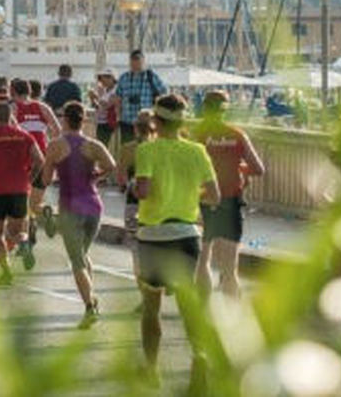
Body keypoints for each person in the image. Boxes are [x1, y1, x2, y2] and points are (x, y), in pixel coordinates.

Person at [134, 93, 220, 388]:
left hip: (153, 235)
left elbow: (143, 191)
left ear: (155, 121)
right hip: (186, 234)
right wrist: (186, 195)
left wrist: (137, 185)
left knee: (150, 307)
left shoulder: (148, 150)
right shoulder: (198, 151)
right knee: (188, 304)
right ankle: (199, 354)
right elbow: (215, 195)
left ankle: (152, 368)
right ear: (182, 121)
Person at [41, 101, 117, 329]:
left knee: (76, 261)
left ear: (64, 119)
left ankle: (90, 307)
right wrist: (96, 176)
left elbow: (45, 180)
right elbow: (112, 165)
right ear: (84, 120)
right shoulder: (93, 144)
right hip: (94, 205)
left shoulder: (55, 146)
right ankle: (91, 298)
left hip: (70, 207)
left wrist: (55, 174)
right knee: (83, 254)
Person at [192, 90, 265, 297]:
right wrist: (239, 168)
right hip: (231, 199)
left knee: (203, 258)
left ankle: (202, 311)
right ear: (225, 110)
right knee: (230, 269)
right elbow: (259, 169)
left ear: (204, 108)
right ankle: (234, 317)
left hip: (204, 198)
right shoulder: (237, 134)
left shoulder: (197, 134)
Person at [0, 102, 45, 284]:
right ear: (9, 116)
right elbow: (40, 160)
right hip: (20, 189)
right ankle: (24, 243)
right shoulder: (25, 136)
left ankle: (6, 272)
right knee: (17, 230)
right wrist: (29, 178)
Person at [10, 78, 60, 252]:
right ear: (30, 91)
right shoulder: (43, 107)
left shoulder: (13, 109)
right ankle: (45, 212)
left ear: (12, 92)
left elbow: (10, 134)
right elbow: (57, 130)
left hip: (23, 161)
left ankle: (26, 244)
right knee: (34, 203)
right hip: (44, 159)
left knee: (23, 204)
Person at [88, 69, 120, 146]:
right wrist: (93, 99)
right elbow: (99, 107)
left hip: (110, 122)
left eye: (104, 78)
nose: (102, 82)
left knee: (104, 143)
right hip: (101, 121)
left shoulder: (116, 90)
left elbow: (108, 105)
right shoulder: (105, 90)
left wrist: (97, 97)